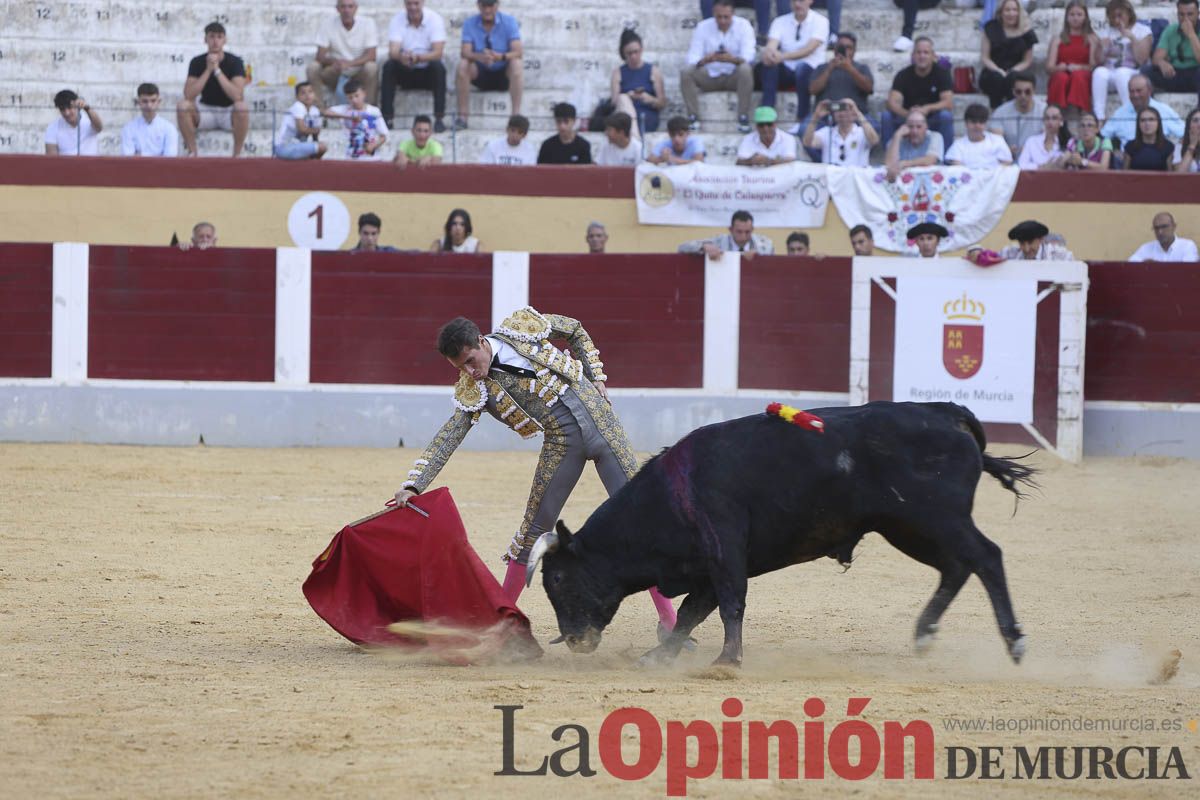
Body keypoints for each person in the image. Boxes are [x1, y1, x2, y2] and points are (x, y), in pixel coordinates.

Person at [392, 310, 681, 638]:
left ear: (481, 342)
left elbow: (575, 329)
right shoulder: (474, 391)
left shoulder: (523, 328)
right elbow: (449, 435)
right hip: (563, 443)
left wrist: (595, 375)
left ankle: (670, 624)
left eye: (471, 361)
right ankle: (503, 625)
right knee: (533, 530)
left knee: (640, 522)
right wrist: (414, 484)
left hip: (604, 426)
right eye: (461, 368)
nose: (471, 372)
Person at [681, 0, 757, 133]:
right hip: (709, 75)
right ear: (713, 14)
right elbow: (692, 58)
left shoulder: (744, 26)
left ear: (733, 14)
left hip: (733, 76)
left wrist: (732, 59)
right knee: (686, 72)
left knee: (746, 69)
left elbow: (749, 56)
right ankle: (693, 117)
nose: (722, 21)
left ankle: (743, 117)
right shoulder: (703, 27)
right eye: (719, 17)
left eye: (726, 17)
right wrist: (705, 60)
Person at [177, 22, 248, 157]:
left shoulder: (235, 62)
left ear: (225, 40)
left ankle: (237, 155)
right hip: (205, 111)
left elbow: (238, 96)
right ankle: (193, 152)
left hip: (228, 111)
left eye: (219, 37)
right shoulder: (197, 61)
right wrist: (208, 70)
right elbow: (188, 95)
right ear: (205, 39)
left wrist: (217, 71)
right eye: (212, 37)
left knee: (242, 107)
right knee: (183, 106)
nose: (215, 41)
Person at [759, 0, 829, 129]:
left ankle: (801, 118)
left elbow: (809, 49)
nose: (797, 4)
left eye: (801, 0)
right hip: (787, 69)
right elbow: (772, 44)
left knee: (802, 68)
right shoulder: (780, 21)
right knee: (769, 66)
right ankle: (767, 114)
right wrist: (770, 54)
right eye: (794, 0)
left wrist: (782, 56)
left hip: (811, 70)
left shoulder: (821, 21)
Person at [455, 0, 523, 129]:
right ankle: (462, 117)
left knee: (517, 64)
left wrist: (500, 57)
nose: (487, 10)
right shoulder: (470, 23)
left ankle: (515, 117)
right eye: (484, 6)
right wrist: (481, 57)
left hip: (503, 73)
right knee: (463, 65)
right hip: (481, 73)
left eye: (490, 5)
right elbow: (465, 52)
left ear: (497, 5)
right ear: (478, 6)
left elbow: (518, 52)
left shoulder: (509, 21)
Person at [382, 0, 448, 132]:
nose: (412, 7)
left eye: (416, 3)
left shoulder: (434, 19)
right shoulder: (397, 19)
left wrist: (419, 58)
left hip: (427, 70)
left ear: (423, 3)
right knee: (389, 66)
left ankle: (439, 118)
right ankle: (387, 118)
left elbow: (438, 52)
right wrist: (402, 57)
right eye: (409, 4)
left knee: (438, 67)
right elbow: (393, 51)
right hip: (407, 69)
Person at [883, 37, 955, 149]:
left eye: (926, 52)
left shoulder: (942, 73)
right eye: (918, 52)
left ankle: (946, 159)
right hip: (908, 119)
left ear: (933, 56)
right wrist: (909, 114)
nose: (922, 56)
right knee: (886, 116)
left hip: (932, 119)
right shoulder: (903, 75)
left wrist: (927, 108)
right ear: (912, 55)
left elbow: (948, 103)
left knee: (945, 116)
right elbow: (891, 103)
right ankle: (889, 156)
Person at [307, 0, 379, 109]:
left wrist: (349, 64)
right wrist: (336, 63)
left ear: (356, 8)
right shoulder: (327, 24)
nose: (347, 10)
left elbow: (372, 55)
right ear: (337, 9)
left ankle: (368, 110)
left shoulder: (368, 23)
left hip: (359, 71)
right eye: (343, 7)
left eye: (350, 7)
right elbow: (320, 56)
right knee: (313, 68)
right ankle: (319, 110)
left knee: (372, 67)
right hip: (336, 71)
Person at [1092, 0, 1153, 122]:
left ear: (1129, 14)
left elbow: (1142, 60)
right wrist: (1101, 47)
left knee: (1121, 73)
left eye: (1120, 15)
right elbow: (1098, 61)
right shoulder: (1106, 32)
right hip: (1110, 72)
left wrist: (1132, 39)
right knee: (1099, 72)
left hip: (1132, 72)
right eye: (1113, 16)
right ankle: (1099, 117)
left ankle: (1130, 114)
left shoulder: (1143, 30)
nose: (1116, 20)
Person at [978, 0, 1037, 110]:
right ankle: (996, 111)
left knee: (1014, 80)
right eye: (1007, 10)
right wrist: (998, 70)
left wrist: (1013, 70)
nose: (1011, 13)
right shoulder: (991, 28)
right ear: (1001, 12)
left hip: (1017, 70)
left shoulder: (1026, 32)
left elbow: (1027, 60)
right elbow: (985, 57)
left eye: (1014, 10)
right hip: (993, 70)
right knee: (996, 79)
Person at [1046, 0, 1100, 116]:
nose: (1075, 18)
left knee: (1078, 76)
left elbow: (1093, 65)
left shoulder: (1092, 39)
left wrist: (1079, 67)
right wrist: (1059, 68)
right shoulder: (1058, 39)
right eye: (1072, 15)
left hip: (1082, 73)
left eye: (1079, 15)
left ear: (1085, 17)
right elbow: (1049, 67)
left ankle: (1081, 111)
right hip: (1062, 72)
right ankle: (1056, 113)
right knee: (1060, 78)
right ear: (1066, 17)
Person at [1100, 74, 1185, 147]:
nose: (1135, 95)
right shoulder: (1120, 113)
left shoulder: (1164, 110)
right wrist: (1111, 151)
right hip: (1127, 162)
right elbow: (1103, 136)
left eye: (1139, 91)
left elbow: (1185, 133)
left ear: (1149, 91)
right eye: (1131, 91)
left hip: (1158, 162)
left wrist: (1177, 152)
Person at [611, 29, 667, 138]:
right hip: (624, 116)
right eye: (629, 53)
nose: (633, 56)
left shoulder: (653, 71)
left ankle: (635, 141)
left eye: (636, 52)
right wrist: (629, 97)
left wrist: (647, 98)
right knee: (623, 99)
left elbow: (662, 102)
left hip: (646, 116)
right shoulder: (618, 73)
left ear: (641, 50)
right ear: (623, 53)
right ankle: (636, 141)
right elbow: (614, 102)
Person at [809, 32, 874, 119]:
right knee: (803, 129)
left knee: (874, 127)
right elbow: (812, 90)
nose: (845, 51)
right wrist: (829, 69)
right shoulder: (822, 68)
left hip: (855, 115)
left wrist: (850, 69)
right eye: (841, 47)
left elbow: (869, 88)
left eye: (848, 48)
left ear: (854, 51)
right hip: (825, 115)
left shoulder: (862, 68)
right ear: (835, 49)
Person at [1146, 0, 1200, 104]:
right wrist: (1162, 63)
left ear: (1198, 14)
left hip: (1196, 74)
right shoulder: (1171, 30)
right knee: (1147, 71)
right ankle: (1147, 112)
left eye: (1190, 14)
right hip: (1175, 73)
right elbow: (1156, 58)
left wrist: (1191, 35)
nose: (1185, 19)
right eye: (1181, 14)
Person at [323, 78, 389, 160]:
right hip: (350, 158)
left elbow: (384, 136)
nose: (354, 100)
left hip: (372, 158)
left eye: (356, 96)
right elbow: (325, 112)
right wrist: (349, 117)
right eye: (350, 98)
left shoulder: (374, 111)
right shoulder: (344, 109)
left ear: (364, 94)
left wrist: (373, 146)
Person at [802, 98, 877, 166]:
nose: (841, 113)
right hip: (832, 177)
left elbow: (874, 140)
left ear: (854, 114)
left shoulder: (862, 132)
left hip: (856, 177)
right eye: (838, 110)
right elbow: (807, 142)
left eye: (846, 110)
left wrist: (858, 113)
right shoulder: (827, 132)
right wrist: (816, 116)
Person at [967, 220, 1075, 263]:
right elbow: (988, 256)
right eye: (1022, 243)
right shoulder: (1011, 252)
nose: (1026, 249)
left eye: (1030, 242)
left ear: (1041, 239)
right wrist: (975, 250)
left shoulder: (1062, 256)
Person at [678, 210, 775, 258]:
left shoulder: (764, 246)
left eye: (747, 232)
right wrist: (703, 247)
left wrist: (758, 257)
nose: (743, 236)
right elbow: (681, 247)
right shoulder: (719, 242)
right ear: (730, 229)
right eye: (739, 231)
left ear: (753, 229)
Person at [991, 71, 1045, 158]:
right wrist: (1006, 150)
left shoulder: (1044, 111)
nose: (1023, 96)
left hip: (1037, 157)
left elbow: (1048, 140)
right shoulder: (1001, 112)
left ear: (1034, 91)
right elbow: (996, 141)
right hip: (1009, 158)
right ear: (1013, 92)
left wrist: (1031, 150)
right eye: (1019, 92)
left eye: (1027, 92)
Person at [945, 103, 1012, 168]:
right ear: (966, 123)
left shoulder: (997, 140)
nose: (977, 126)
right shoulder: (958, 145)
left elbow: (1007, 163)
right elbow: (957, 167)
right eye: (974, 122)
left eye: (981, 122)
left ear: (986, 123)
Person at [120, 83, 178, 157]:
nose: (149, 105)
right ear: (138, 102)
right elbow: (128, 159)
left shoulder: (169, 128)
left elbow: (170, 158)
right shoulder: (128, 128)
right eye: (145, 101)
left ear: (158, 102)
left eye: (153, 101)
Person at [273, 81, 327, 160]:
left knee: (320, 147)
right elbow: (302, 129)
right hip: (284, 147)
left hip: (298, 145)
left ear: (315, 95)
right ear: (297, 97)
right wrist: (316, 131)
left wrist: (316, 143)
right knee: (322, 147)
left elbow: (315, 136)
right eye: (303, 93)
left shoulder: (315, 111)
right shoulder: (298, 106)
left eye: (310, 92)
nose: (307, 95)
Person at [885, 109, 944, 181]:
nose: (914, 131)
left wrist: (904, 164)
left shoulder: (935, 137)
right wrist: (897, 136)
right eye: (910, 126)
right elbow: (889, 164)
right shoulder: (897, 138)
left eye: (919, 127)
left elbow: (930, 160)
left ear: (926, 127)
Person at [45, 90, 101, 156]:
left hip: (90, 165)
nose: (67, 113)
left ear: (77, 106)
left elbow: (99, 127)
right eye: (62, 109)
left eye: (70, 107)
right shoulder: (53, 128)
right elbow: (52, 158)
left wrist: (87, 108)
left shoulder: (89, 122)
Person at [1129, 212, 1199, 261]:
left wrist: (1155, 268)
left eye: (1164, 227)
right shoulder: (1146, 248)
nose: (1160, 232)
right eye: (1156, 228)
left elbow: (1187, 271)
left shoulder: (1187, 246)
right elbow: (1131, 266)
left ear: (1174, 226)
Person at [1017, 104, 1069, 170]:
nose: (1050, 122)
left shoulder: (1068, 142)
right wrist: (1041, 167)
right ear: (1043, 120)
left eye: (1054, 118)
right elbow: (1021, 164)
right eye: (1047, 118)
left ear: (1061, 121)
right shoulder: (1032, 141)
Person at [1122, 106, 1175, 171]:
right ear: (1138, 124)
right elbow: (1124, 175)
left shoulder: (1168, 147)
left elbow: (1170, 176)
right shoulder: (1130, 146)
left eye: (1151, 119)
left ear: (1158, 122)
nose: (1147, 123)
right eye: (1143, 120)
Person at [1174, 107, 1200, 172]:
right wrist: (1192, 145)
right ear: (1189, 125)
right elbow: (1179, 174)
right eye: (1195, 120)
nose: (1199, 124)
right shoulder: (1180, 146)